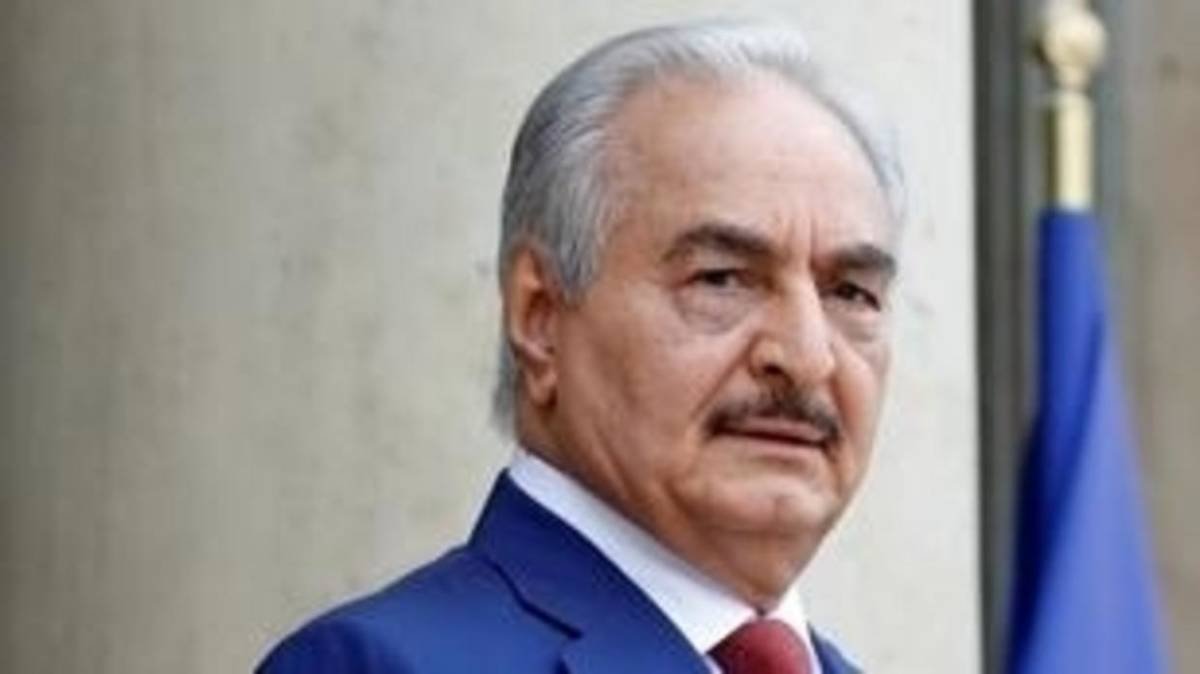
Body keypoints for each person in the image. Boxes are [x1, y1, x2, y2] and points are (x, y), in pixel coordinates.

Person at [258, 18, 904, 674]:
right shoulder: (376, 664)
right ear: (539, 318)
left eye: (851, 293)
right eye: (721, 279)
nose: (807, 356)